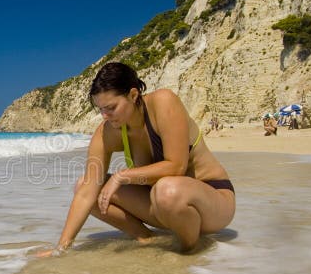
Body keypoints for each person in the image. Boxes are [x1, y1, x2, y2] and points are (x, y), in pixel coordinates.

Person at [45, 62, 235, 255]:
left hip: (212, 202)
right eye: (100, 109)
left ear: (133, 95)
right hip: (164, 207)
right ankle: (146, 237)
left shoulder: (163, 103)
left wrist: (122, 176)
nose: (105, 116)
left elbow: (177, 167)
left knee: (167, 189)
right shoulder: (108, 132)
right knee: (84, 186)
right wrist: (60, 249)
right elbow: (86, 193)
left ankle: (188, 251)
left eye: (111, 107)